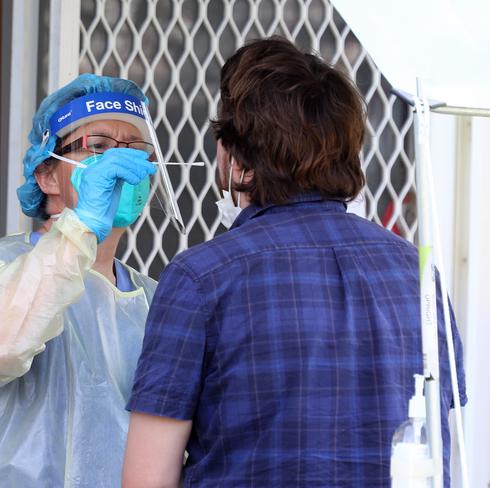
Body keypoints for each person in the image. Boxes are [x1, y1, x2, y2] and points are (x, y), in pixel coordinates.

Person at [122, 37, 466, 487]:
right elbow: (444, 444)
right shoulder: (419, 278)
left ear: (238, 158)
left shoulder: (199, 278)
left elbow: (147, 478)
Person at [0, 74, 160, 487]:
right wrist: (81, 229)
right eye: (98, 147)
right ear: (47, 176)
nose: (120, 162)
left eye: (135, 148)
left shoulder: (153, 300)